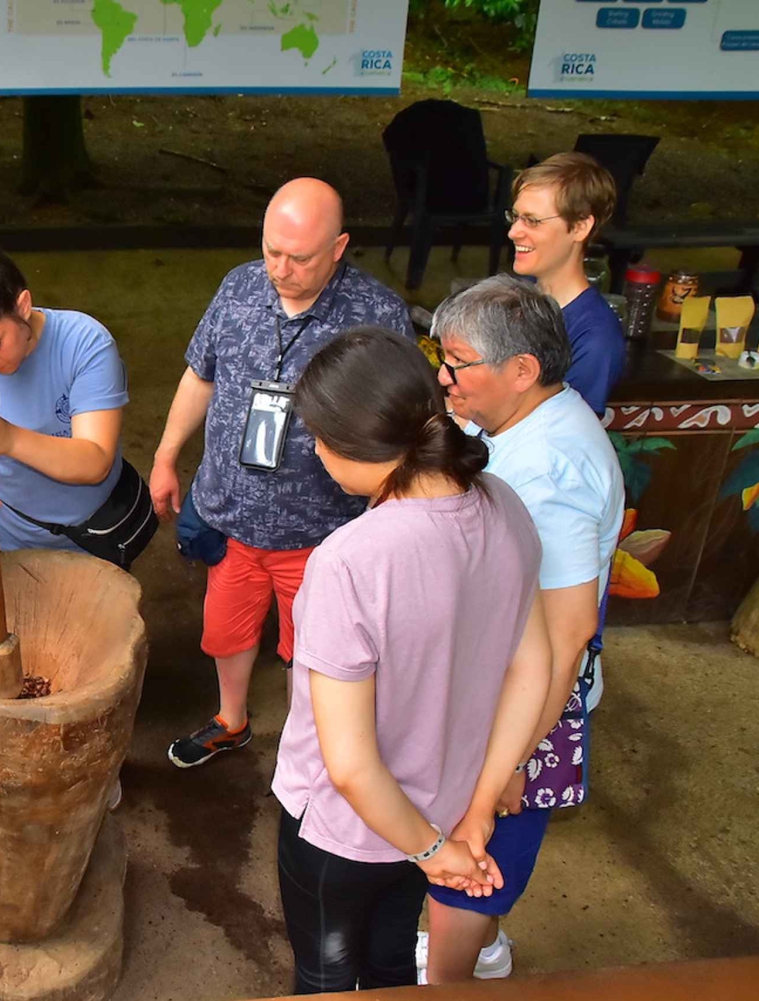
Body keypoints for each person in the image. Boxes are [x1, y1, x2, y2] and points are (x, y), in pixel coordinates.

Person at [271, 326, 552, 994]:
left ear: (360, 443)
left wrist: (432, 850)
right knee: (392, 961)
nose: (316, 450)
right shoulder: (503, 503)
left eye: (319, 436)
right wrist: (473, 812)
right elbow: (532, 667)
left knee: (325, 974)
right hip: (443, 806)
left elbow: (350, 766)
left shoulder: (350, 560)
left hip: (344, 832)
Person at [150, 178, 415, 768]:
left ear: (339, 247)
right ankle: (231, 720)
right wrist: (167, 456)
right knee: (226, 632)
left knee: (315, 652)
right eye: (272, 251)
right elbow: (200, 374)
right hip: (231, 513)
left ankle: (306, 753)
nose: (281, 270)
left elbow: (400, 427)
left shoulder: (376, 315)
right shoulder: (239, 286)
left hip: (321, 530)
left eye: (300, 258)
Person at [421, 276, 625, 983]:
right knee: (484, 856)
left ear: (522, 369)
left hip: (526, 707)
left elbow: (568, 633)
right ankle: (486, 952)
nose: (443, 378)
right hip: (501, 684)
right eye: (441, 358)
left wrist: (514, 760)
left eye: (458, 362)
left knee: (466, 867)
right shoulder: (513, 420)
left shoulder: (551, 471)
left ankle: (443, 983)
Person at [0, 232, 146, 571]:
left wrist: (8, 438)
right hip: (4, 541)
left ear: (23, 306)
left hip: (89, 541)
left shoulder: (85, 342)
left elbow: (95, 461)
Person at [506, 151, 624, 415]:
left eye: (532, 221)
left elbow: (568, 430)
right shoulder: (514, 294)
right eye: (515, 217)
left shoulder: (595, 338)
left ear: (580, 227)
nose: (513, 232)